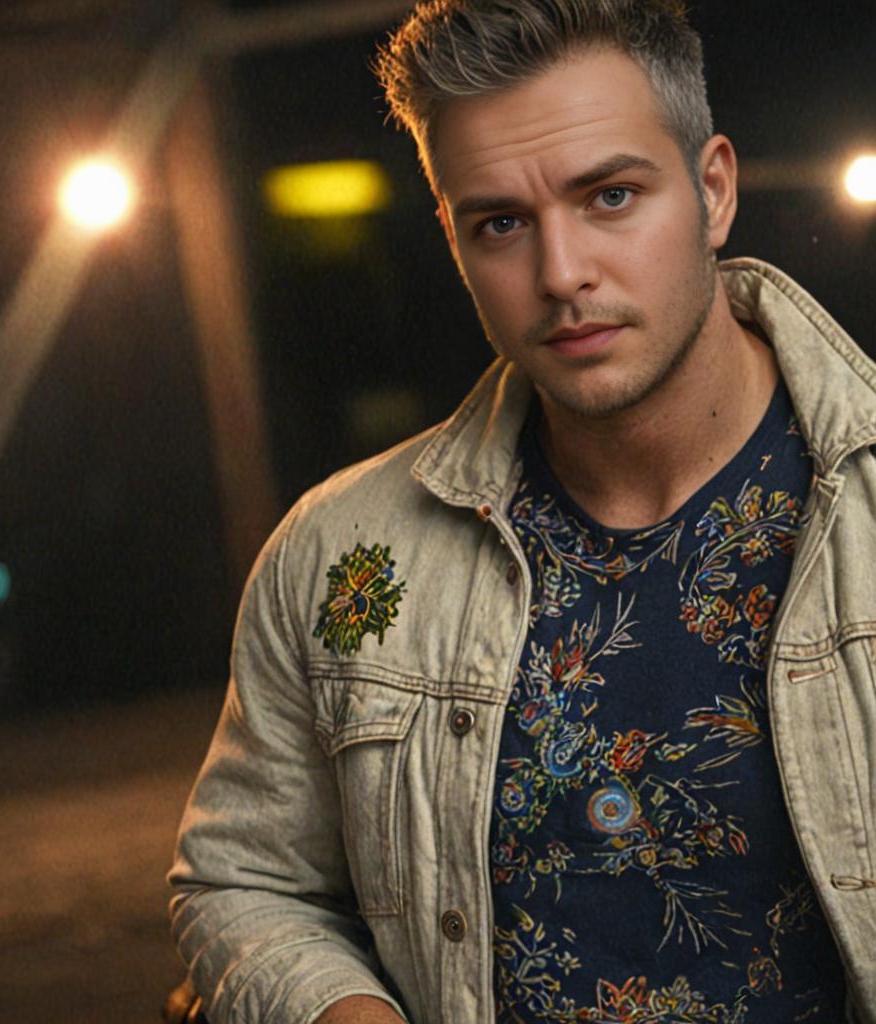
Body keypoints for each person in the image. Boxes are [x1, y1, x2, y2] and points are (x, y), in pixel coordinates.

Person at [168, 2, 876, 1021]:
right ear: (454, 239)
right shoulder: (338, 556)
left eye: (611, 196)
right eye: (501, 222)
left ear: (712, 190)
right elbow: (245, 879)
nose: (560, 275)